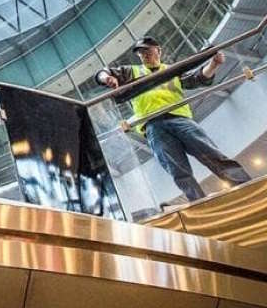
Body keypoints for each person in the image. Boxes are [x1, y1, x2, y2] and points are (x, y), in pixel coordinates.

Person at [96, 37, 249, 202]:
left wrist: (214, 64)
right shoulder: (131, 72)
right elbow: (102, 73)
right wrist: (107, 79)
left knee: (211, 153)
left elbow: (197, 79)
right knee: (177, 170)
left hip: (180, 119)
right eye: (140, 53)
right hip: (152, 126)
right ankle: (199, 203)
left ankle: (246, 186)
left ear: (158, 51)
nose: (144, 55)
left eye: (147, 50)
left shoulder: (172, 70)